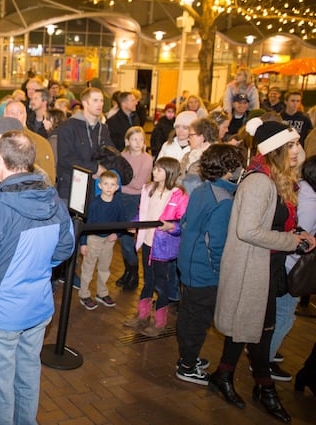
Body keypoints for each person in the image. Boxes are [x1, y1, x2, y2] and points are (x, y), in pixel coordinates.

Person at [0, 131, 74, 425]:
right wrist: (34, 268)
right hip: (37, 306)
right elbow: (65, 247)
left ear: (1, 161)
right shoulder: (55, 202)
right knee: (27, 376)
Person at [211, 119, 315, 422]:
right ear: (277, 150)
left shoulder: (278, 177)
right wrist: (292, 241)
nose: (298, 150)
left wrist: (297, 231)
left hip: (266, 263)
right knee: (259, 328)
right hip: (251, 265)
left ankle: (225, 374)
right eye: (292, 145)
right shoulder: (259, 182)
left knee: (252, 326)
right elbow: (247, 230)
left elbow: (275, 219)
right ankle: (264, 387)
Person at [175, 144, 244, 385]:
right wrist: (218, 271)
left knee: (188, 313)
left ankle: (186, 356)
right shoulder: (224, 200)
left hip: (188, 260)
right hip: (204, 269)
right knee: (198, 319)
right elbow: (215, 243)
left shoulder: (203, 189)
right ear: (229, 169)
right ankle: (187, 364)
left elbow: (185, 221)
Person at [124, 157, 188, 337]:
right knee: (148, 281)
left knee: (161, 284)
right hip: (147, 242)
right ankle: (143, 315)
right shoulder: (148, 189)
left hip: (163, 247)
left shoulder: (178, 195)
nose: (155, 171)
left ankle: (160, 322)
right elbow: (143, 214)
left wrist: (172, 227)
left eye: (160, 169)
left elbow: (183, 223)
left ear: (170, 172)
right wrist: (134, 224)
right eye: (155, 168)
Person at [269, 155, 316, 382]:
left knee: (278, 312)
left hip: (284, 261)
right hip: (291, 265)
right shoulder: (310, 199)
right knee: (284, 315)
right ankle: (264, 362)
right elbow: (301, 235)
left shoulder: (301, 188)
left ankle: (264, 352)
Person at [78, 171, 127, 310]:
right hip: (93, 238)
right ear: (100, 186)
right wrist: (83, 242)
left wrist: (117, 234)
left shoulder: (118, 204)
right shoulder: (94, 204)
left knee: (104, 267)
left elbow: (122, 222)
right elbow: (85, 224)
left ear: (117, 187)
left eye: (112, 185)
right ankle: (84, 293)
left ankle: (102, 292)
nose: (109, 187)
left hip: (109, 240)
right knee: (88, 267)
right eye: (106, 184)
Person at [55, 87, 114, 202]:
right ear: (85, 103)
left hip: (96, 187)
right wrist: (94, 169)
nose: (100, 104)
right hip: (71, 186)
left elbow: (109, 153)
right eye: (95, 100)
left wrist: (104, 169)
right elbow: (65, 158)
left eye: (101, 100)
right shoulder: (68, 127)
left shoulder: (103, 128)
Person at [117, 126, 153, 291]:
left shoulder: (147, 159)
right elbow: (117, 177)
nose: (138, 143)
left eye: (141, 139)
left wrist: (120, 182)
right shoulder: (122, 156)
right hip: (119, 198)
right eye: (134, 139)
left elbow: (139, 184)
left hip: (134, 200)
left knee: (127, 237)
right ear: (127, 141)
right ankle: (128, 270)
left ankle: (134, 272)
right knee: (122, 238)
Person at [3, 100, 57, 185]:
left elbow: (49, 180)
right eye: (11, 113)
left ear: (25, 116)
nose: (15, 116)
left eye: (20, 113)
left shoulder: (41, 143)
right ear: (4, 116)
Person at [179, 117, 220, 194]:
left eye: (191, 135)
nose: (188, 139)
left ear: (202, 137)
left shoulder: (214, 158)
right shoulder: (187, 155)